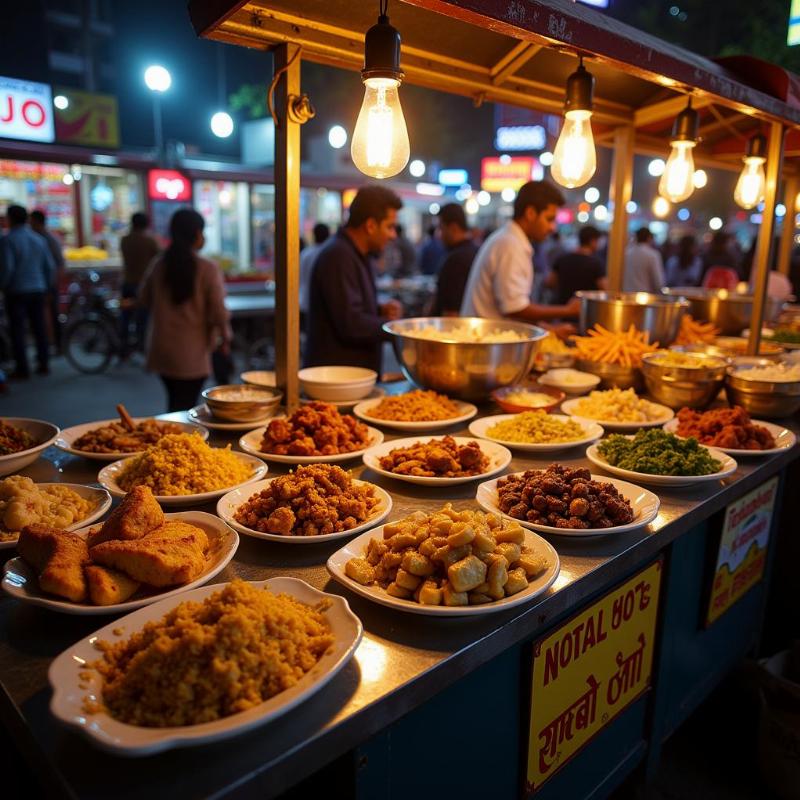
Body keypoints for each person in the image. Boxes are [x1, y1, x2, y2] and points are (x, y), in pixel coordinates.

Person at [139, 209, 231, 412]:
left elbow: (144, 299)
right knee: (185, 405)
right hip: (192, 352)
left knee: (175, 402)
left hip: (162, 349)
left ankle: (172, 437)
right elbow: (218, 312)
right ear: (197, 234)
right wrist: (225, 338)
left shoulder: (159, 264)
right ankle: (175, 441)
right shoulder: (207, 268)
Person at [305, 185, 403, 373]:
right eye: (390, 227)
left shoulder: (357, 254)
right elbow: (351, 325)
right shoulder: (338, 256)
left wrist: (379, 309)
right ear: (370, 225)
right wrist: (395, 328)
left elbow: (347, 307)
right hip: (336, 384)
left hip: (352, 379)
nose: (393, 235)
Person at [460, 181, 580, 324]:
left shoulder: (511, 239)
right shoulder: (510, 244)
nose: (552, 228)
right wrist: (568, 310)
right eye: (549, 219)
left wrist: (551, 330)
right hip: (484, 341)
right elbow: (514, 308)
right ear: (530, 213)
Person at [0, 205, 55, 378]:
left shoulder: (8, 240)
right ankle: (43, 363)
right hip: (38, 288)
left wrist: (2, 286)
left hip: (17, 291)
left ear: (11, 219)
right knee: (38, 327)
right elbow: (50, 266)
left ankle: (22, 368)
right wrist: (46, 287)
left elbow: (7, 268)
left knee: (18, 330)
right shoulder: (39, 239)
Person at [120, 212, 159, 355]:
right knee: (142, 317)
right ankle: (141, 346)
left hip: (127, 284)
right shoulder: (150, 241)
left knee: (125, 315)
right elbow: (159, 259)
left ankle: (123, 346)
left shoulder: (125, 240)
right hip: (142, 287)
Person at [430, 203, 478, 316]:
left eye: (441, 228)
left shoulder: (455, 260)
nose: (439, 235)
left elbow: (451, 312)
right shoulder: (477, 250)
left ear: (453, 228)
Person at [30, 210, 65, 353]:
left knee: (52, 315)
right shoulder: (37, 238)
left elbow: (59, 264)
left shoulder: (49, 239)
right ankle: (49, 345)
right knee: (42, 318)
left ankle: (57, 345)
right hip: (40, 283)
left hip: (48, 284)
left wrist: (53, 284)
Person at [544, 225, 606, 304]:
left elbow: (549, 283)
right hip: (585, 309)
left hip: (562, 309)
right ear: (592, 241)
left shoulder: (563, 258)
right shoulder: (596, 263)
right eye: (598, 241)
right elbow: (603, 288)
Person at [298, 222, 330, 315]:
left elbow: (299, 278)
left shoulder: (305, 253)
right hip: (322, 305)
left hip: (304, 301)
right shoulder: (328, 254)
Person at [622, 227, 665, 294]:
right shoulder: (652, 255)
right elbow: (658, 282)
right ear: (649, 238)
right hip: (645, 296)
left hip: (626, 294)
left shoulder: (627, 253)